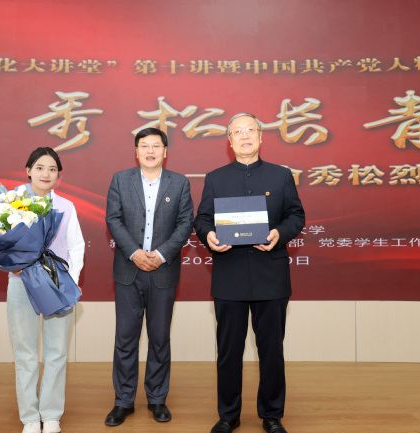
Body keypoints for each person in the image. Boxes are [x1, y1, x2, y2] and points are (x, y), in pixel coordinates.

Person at [193, 113, 305, 433]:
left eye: (250, 130)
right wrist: (209, 236)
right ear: (229, 141)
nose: (244, 136)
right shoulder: (215, 178)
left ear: (261, 136)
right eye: (238, 132)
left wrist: (279, 234)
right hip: (229, 276)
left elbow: (296, 216)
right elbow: (202, 220)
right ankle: (228, 415)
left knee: (271, 351)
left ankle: (272, 415)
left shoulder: (281, 175)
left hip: (271, 276)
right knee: (229, 352)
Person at [104, 127, 194, 426]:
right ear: (136, 151)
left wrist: (161, 254)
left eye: (156, 146)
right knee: (125, 339)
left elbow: (185, 223)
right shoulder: (121, 179)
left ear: (165, 151)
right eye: (144, 146)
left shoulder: (179, 183)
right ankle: (123, 401)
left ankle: (157, 398)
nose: (150, 151)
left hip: (163, 271)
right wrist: (134, 253)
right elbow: (113, 219)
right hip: (128, 271)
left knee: (159, 338)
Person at [7, 147, 85, 433]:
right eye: (40, 168)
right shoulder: (12, 203)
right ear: (28, 170)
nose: (46, 174)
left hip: (57, 285)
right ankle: (30, 417)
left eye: (52, 169)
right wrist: (9, 263)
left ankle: (51, 415)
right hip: (20, 284)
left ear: (58, 175)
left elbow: (77, 246)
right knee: (25, 352)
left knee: (56, 352)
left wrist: (70, 282)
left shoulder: (65, 206)